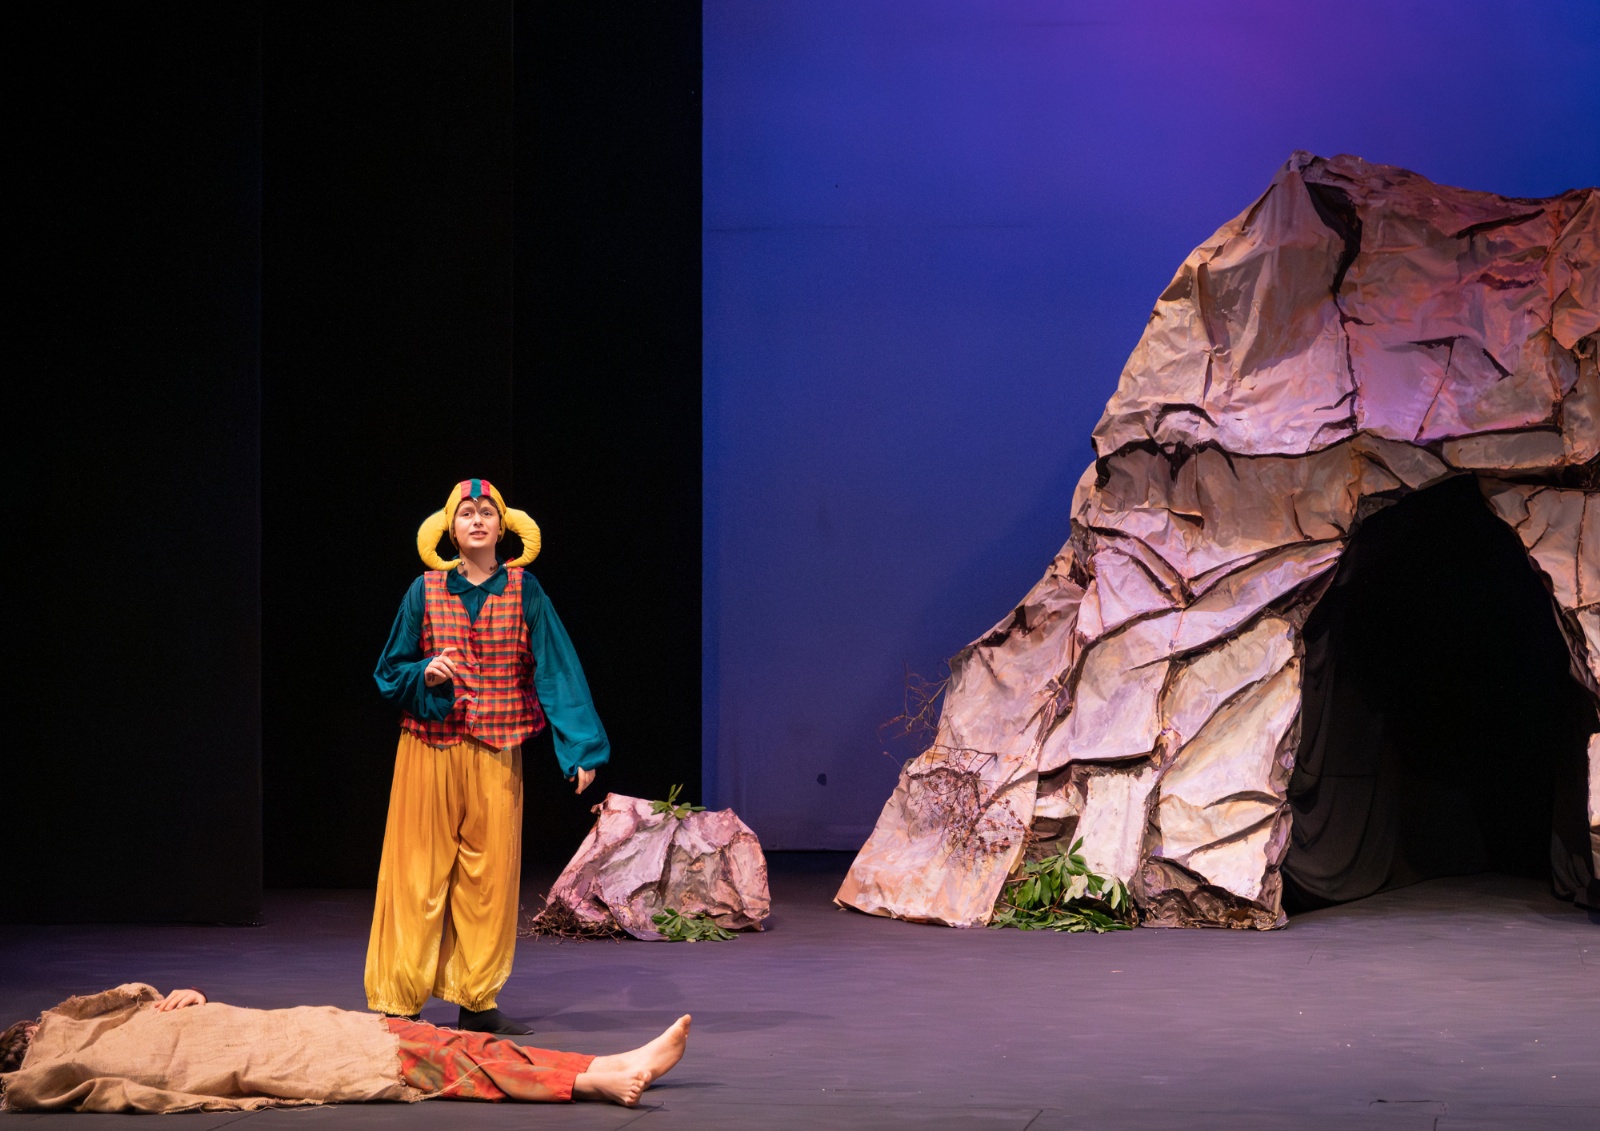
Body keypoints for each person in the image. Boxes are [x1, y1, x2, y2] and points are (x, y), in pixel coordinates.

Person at [367, 479, 611, 1034]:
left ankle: (476, 1000)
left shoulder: (526, 591)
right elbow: (389, 670)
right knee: (416, 872)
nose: (476, 520)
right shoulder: (424, 590)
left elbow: (556, 667)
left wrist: (581, 748)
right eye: (465, 513)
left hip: (497, 751)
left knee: (489, 877)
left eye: (486, 512)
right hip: (428, 748)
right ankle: (399, 1002)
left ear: (503, 527)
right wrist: (424, 672)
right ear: (450, 530)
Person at [0, 983, 689, 1112]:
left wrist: (185, 995)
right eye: (31, 1035)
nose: (39, 1026)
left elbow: (141, 1000)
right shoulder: (65, 1062)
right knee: (442, 1061)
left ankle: (608, 1063)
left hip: (299, 1027)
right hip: (296, 1055)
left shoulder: (105, 1017)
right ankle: (593, 1082)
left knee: (449, 1039)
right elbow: (125, 1082)